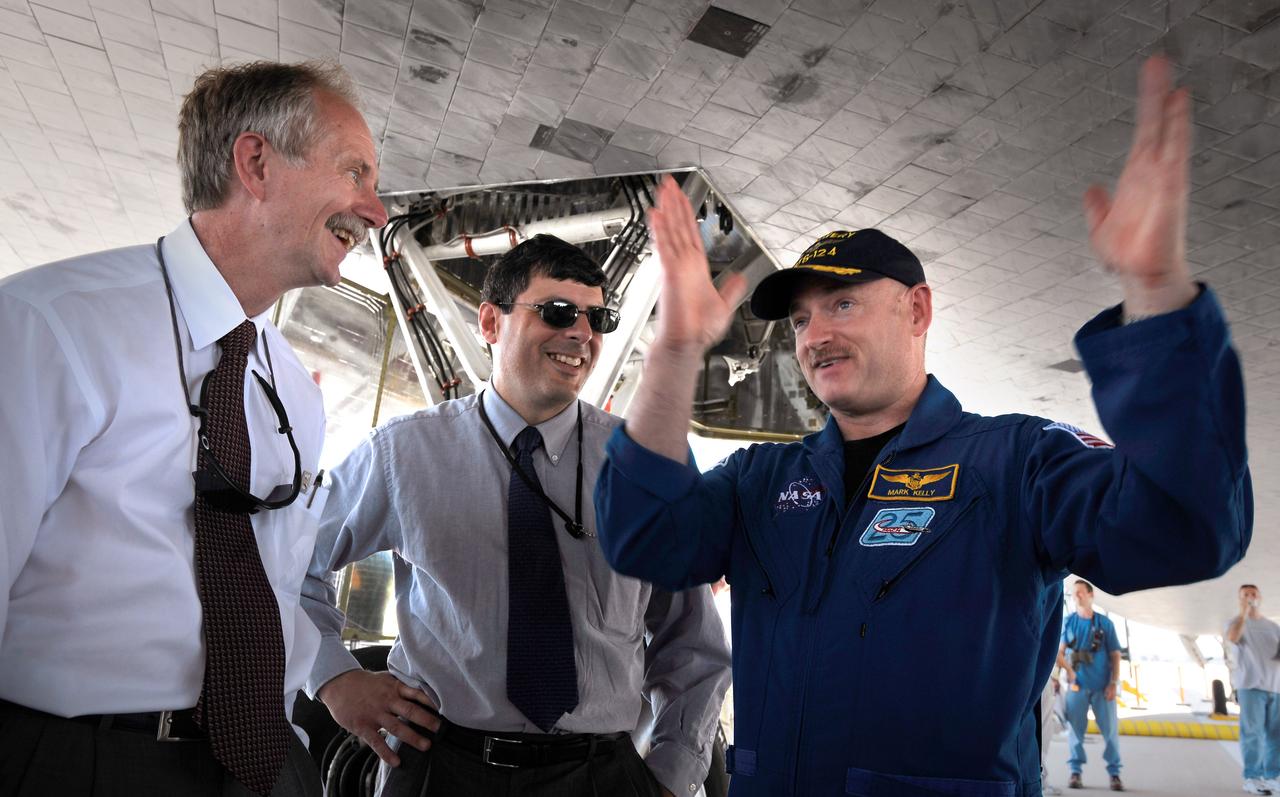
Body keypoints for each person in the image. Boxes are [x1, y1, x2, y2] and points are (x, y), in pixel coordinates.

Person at [593, 54, 1252, 796]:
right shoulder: (763, 480)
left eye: (842, 304)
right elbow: (642, 535)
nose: (813, 336)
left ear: (917, 310)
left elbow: (1189, 526)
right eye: (803, 319)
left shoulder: (1014, 463)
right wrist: (676, 349)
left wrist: (1157, 291)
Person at [0, 61, 387, 797]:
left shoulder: (292, 395)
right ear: (256, 163)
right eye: (355, 173)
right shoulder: (47, 328)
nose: (377, 209)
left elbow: (268, 586)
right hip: (75, 760)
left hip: (257, 762)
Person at [301, 234, 731, 797]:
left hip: (600, 776)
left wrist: (672, 776)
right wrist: (334, 678)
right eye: (557, 312)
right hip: (441, 766)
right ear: (490, 322)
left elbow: (692, 642)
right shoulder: (402, 455)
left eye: (596, 318)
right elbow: (285, 564)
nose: (581, 332)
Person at [1057, 580, 1124, 790]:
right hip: (1077, 686)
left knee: (1109, 731)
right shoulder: (1068, 622)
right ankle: (1075, 772)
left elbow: (1115, 655)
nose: (1077, 596)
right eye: (1074, 593)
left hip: (1103, 687)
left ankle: (1115, 773)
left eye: (1080, 593)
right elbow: (1059, 653)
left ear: (1090, 594)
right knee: (1076, 731)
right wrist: (1067, 672)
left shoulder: (1105, 624)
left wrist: (1114, 683)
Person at [1225, 584, 1280, 795]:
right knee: (1253, 734)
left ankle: (1273, 776)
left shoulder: (1273, 627)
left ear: (1260, 596)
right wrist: (1243, 612)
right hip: (1251, 686)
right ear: (1240, 599)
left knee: (1276, 736)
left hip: (1275, 687)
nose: (1250, 597)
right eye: (1245, 595)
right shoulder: (1235, 623)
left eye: (1253, 593)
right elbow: (1233, 638)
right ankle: (1252, 777)